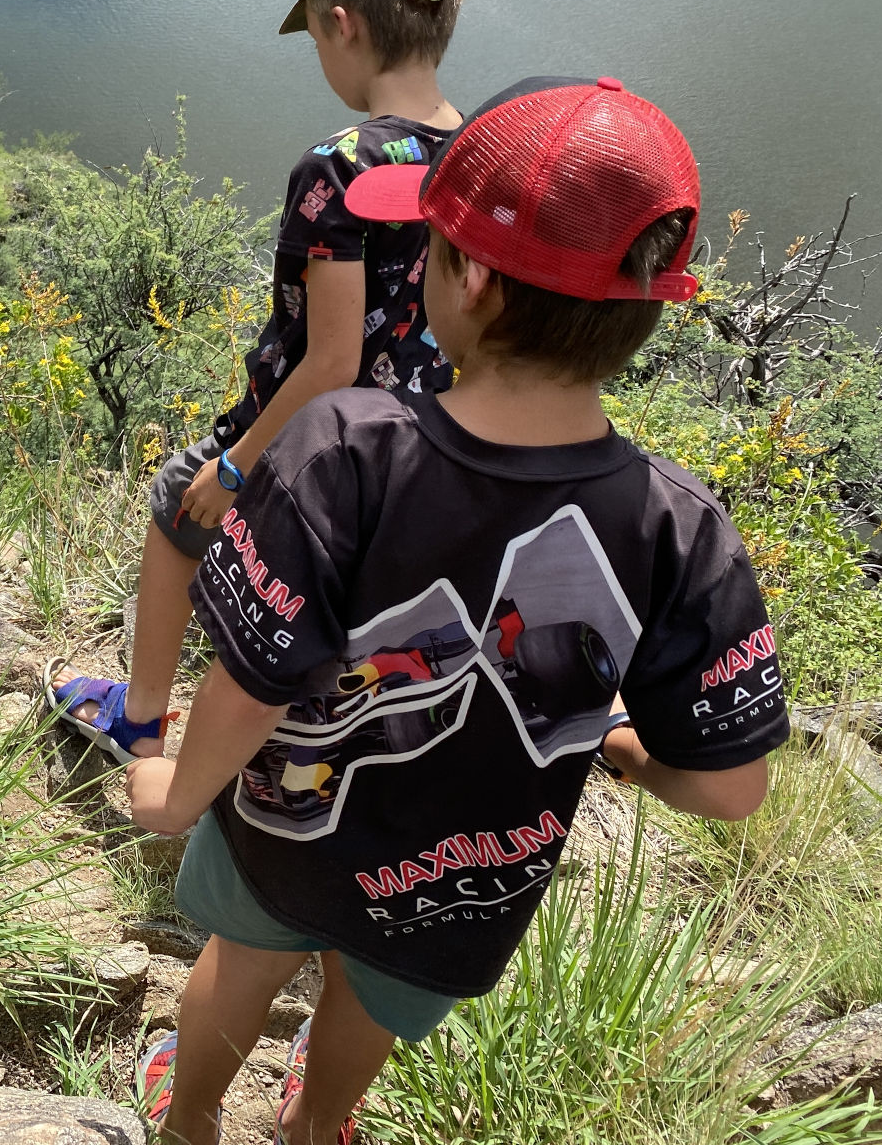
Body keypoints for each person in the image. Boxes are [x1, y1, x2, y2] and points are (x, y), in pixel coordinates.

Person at [120, 77, 788, 1144]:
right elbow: (728, 788)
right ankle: (314, 1128)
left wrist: (168, 789)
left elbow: (250, 688)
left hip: (288, 825)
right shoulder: (678, 524)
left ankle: (190, 1116)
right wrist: (624, 753)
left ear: (469, 278)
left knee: (238, 968)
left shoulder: (345, 448)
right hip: (463, 879)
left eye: (424, 249)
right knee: (373, 1007)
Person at [50, 0, 467, 763]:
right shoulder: (475, 153)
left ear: (340, 23)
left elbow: (332, 361)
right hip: (424, 440)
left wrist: (236, 464)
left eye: (315, 34)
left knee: (177, 502)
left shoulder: (342, 165)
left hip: (322, 440)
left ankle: (141, 720)